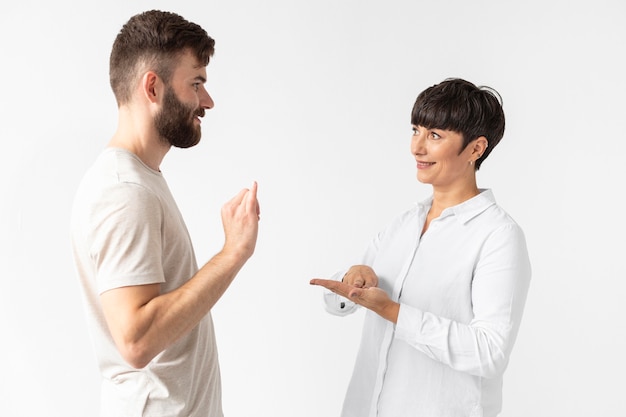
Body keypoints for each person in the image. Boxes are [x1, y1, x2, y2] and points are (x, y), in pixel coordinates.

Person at [70, 10, 260, 417]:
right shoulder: (125, 191)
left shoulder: (138, 180)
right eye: (196, 84)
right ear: (152, 87)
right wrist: (233, 254)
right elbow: (136, 341)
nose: (207, 101)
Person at [310, 78, 531, 417]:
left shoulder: (498, 236)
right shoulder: (404, 223)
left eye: (435, 135)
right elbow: (338, 300)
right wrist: (354, 277)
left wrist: (394, 312)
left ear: (475, 149)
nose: (417, 147)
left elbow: (490, 353)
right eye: (416, 130)